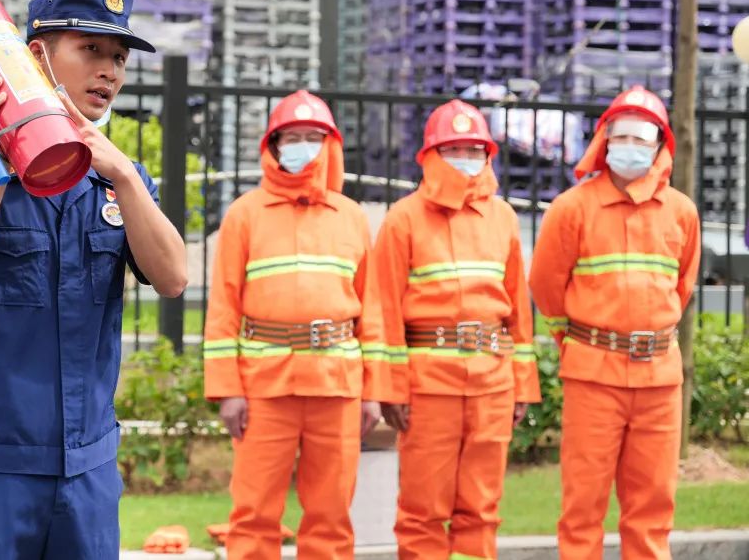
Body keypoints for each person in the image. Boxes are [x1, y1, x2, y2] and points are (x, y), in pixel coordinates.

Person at [0, 0, 187, 558]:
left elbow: (174, 278)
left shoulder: (120, 180)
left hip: (88, 469)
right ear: (35, 56)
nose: (108, 71)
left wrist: (124, 174)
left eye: (119, 58)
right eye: (91, 49)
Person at [202, 89, 393, 559]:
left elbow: (371, 311)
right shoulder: (244, 215)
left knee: (331, 516)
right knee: (253, 515)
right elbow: (223, 308)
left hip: (337, 387)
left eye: (313, 137)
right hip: (264, 389)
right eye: (292, 138)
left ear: (330, 146)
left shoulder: (351, 217)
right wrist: (227, 390)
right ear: (273, 145)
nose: (303, 147)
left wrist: (372, 392)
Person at [529, 85, 700, 560]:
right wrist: (579, 341)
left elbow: (682, 287)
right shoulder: (572, 208)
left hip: (659, 381)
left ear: (660, 145)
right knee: (582, 506)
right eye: (621, 136)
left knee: (653, 509)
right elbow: (545, 286)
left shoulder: (682, 212)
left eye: (641, 138)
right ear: (604, 141)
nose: (630, 147)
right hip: (593, 377)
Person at [372, 99, 540, 560]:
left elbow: (518, 313)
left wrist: (522, 384)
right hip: (429, 388)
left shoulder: (504, 218)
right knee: (422, 511)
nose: (464, 159)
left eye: (473, 149)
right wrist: (390, 389)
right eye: (453, 149)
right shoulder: (403, 218)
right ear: (431, 155)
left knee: (481, 511)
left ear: (488, 155)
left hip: (493, 385)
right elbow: (383, 309)